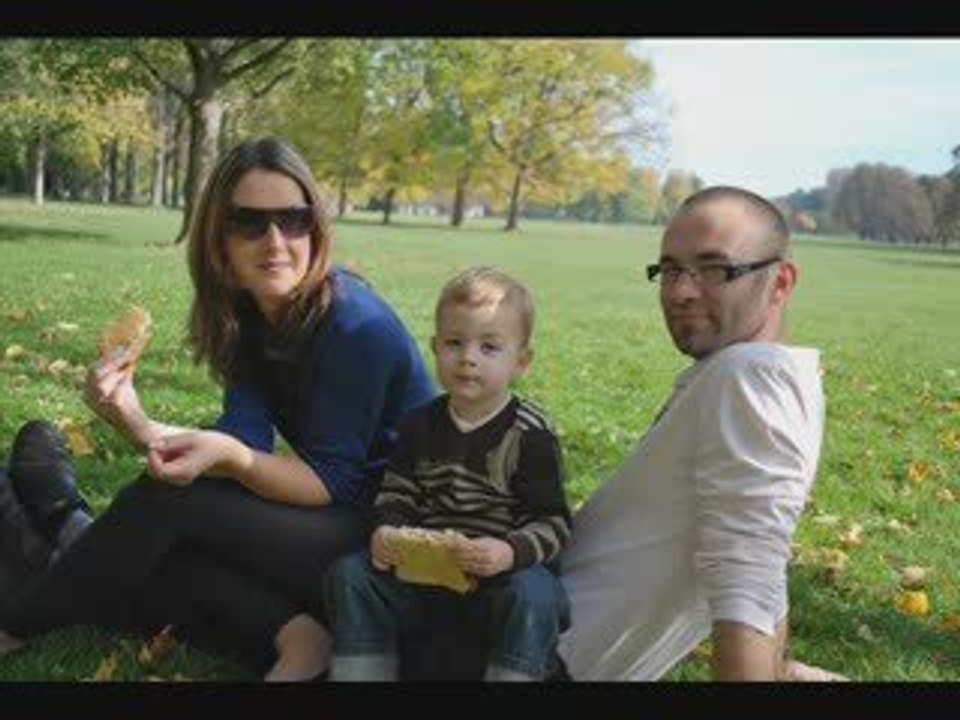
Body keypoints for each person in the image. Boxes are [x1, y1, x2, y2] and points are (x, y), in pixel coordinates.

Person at [0, 137, 437, 680]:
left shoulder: (357, 325)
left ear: (315, 228)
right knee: (158, 542)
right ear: (219, 241)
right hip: (336, 521)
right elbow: (241, 444)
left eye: (293, 220)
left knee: (168, 505)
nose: (275, 241)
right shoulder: (250, 318)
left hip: (397, 540)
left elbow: (329, 481)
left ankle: (19, 620)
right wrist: (132, 421)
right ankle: (296, 635)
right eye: (250, 223)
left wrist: (229, 458)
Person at [557, 185, 845, 682]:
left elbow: (749, 588)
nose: (680, 292)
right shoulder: (763, 374)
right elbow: (760, 563)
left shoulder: (750, 379)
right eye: (670, 270)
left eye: (714, 269)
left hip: (528, 659)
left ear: (780, 283)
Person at [324, 266, 572, 682]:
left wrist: (508, 552)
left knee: (535, 593)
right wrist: (388, 531)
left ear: (520, 362)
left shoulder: (531, 434)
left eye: (489, 347)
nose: (468, 357)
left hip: (500, 585)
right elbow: (396, 496)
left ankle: (515, 673)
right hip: (426, 581)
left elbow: (554, 522)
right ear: (435, 347)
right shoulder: (418, 424)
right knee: (351, 575)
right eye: (455, 342)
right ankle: (363, 672)